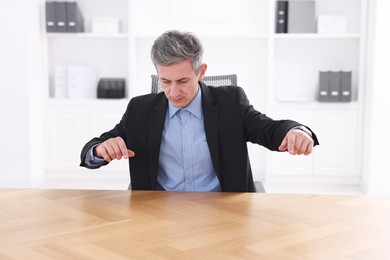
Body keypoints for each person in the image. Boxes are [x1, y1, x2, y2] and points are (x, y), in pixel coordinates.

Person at [80, 30, 319, 192]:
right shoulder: (140, 109)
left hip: (223, 212)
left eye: (183, 81)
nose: (173, 92)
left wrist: (295, 131)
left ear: (201, 72)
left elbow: (268, 129)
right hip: (158, 214)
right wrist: (99, 150)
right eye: (165, 81)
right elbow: (93, 150)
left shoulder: (231, 102)